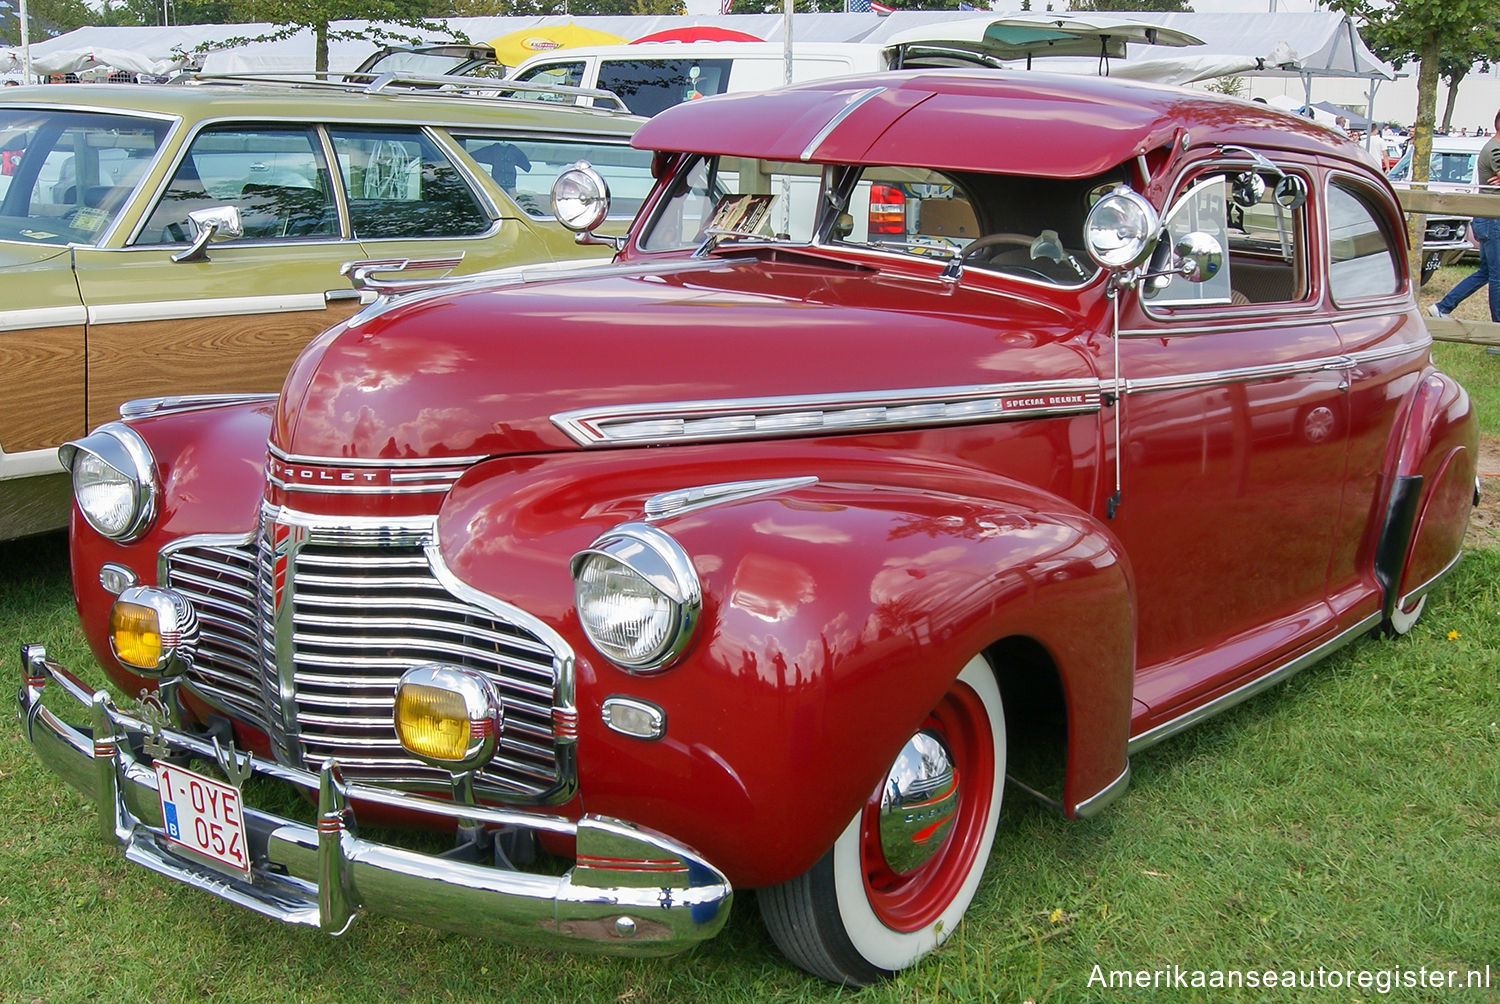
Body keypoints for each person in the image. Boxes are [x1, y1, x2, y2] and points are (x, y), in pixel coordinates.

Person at [1430, 109, 1500, 322]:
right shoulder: (1495, 150)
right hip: (1493, 220)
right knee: (1497, 276)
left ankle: (1443, 306)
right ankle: (1497, 332)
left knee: (1487, 272)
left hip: (1489, 220)